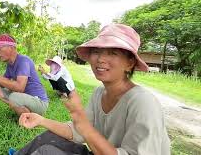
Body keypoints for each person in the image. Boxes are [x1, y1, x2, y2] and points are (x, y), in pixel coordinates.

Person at [10, 24, 170, 155]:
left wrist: (84, 124)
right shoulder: (99, 93)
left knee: (46, 151)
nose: (100, 59)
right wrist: (41, 120)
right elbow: (78, 131)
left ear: (130, 63)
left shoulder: (142, 102)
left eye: (113, 53)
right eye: (96, 52)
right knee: (49, 138)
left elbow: (84, 129)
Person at [0, 34, 49, 116]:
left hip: (39, 102)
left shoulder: (24, 61)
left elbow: (20, 88)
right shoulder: (10, 64)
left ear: (11, 47)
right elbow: (2, 84)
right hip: (26, 97)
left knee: (14, 97)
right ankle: (25, 111)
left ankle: (28, 120)